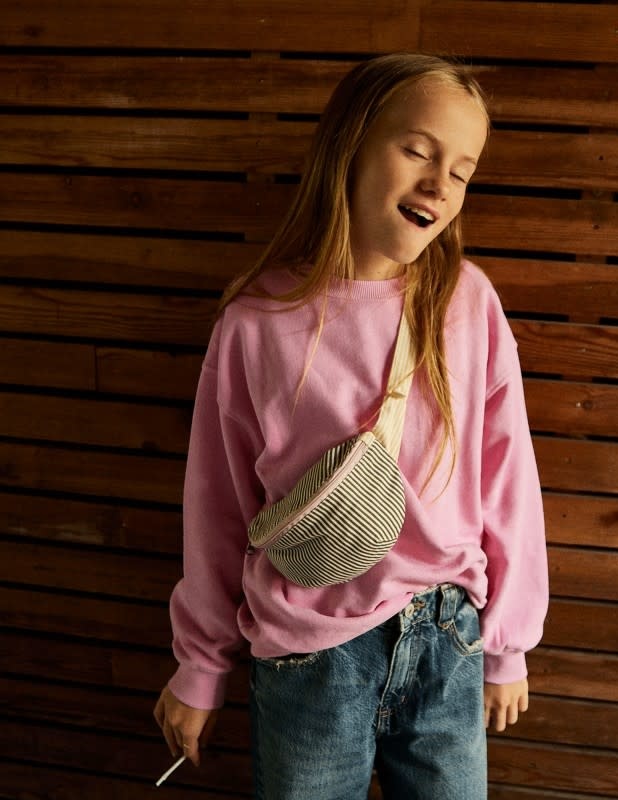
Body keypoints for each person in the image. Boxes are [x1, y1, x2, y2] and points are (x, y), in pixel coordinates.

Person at [154, 52, 548, 800]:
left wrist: (508, 645)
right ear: (350, 144)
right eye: (418, 151)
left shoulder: (467, 303)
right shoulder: (256, 322)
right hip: (308, 650)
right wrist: (200, 665)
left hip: (448, 638)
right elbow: (218, 505)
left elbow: (508, 476)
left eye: (462, 171)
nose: (440, 185)